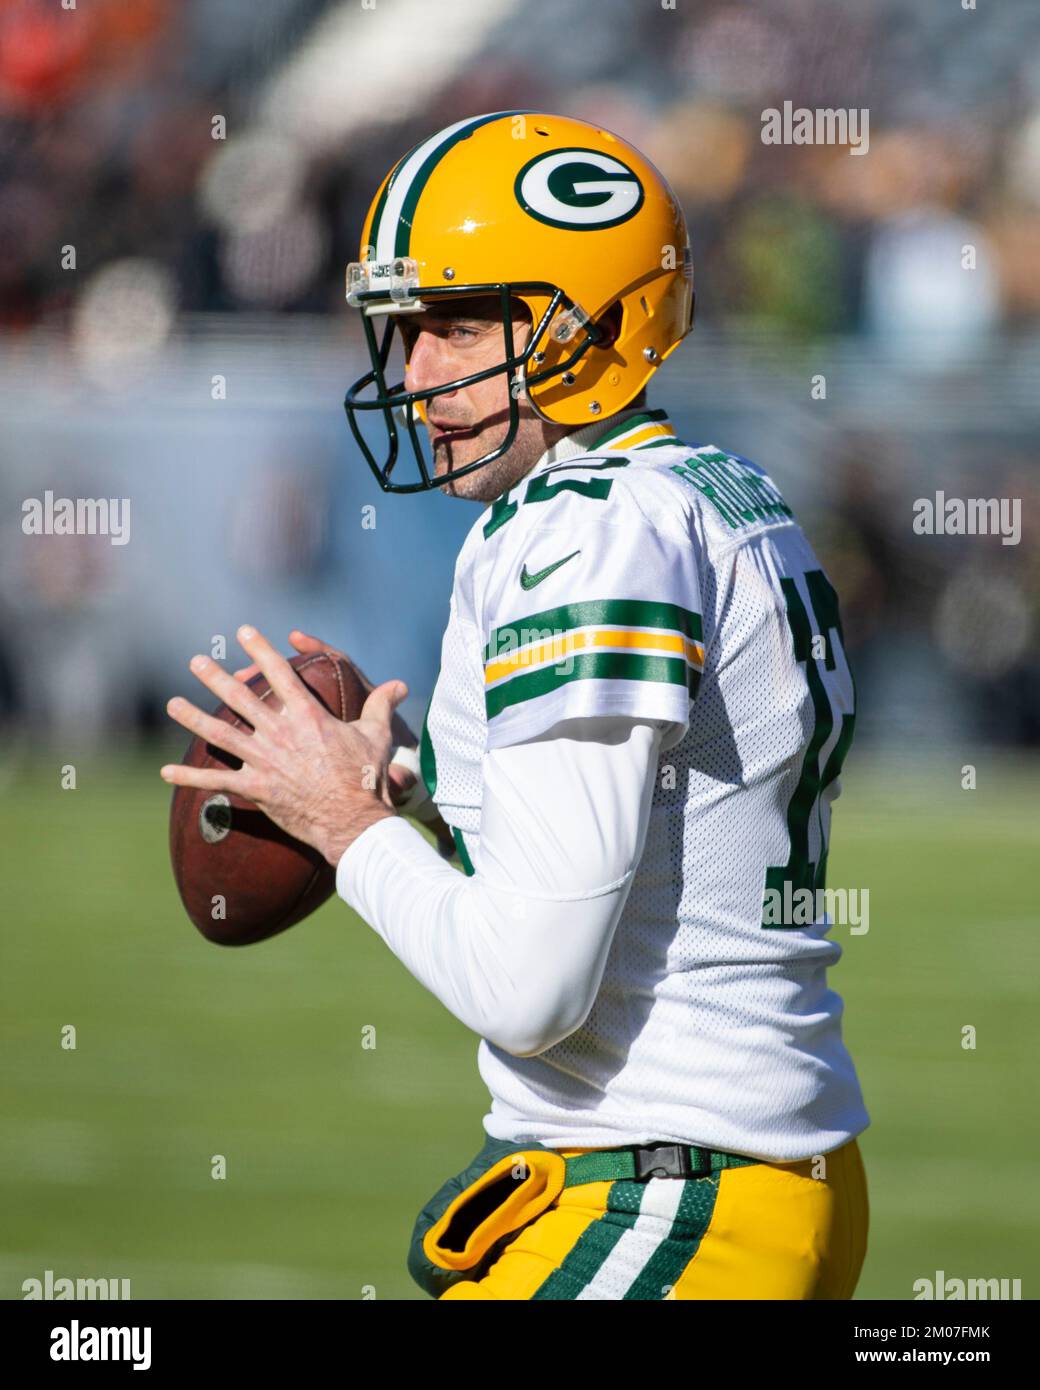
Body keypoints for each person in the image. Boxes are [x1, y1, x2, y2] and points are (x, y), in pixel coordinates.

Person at [162, 110, 869, 1300]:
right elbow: (649, 849)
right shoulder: (701, 489)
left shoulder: (585, 532)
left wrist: (348, 825)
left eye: (454, 324)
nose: (415, 372)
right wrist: (424, 813)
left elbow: (529, 990)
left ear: (591, 320)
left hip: (673, 1197)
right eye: (403, 329)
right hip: (719, 1177)